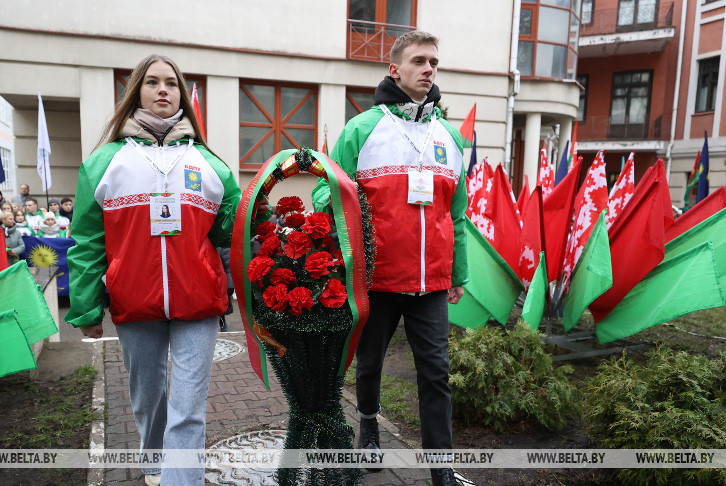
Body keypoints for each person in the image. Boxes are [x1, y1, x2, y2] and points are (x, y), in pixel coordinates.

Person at [66, 54, 264, 486]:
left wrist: (259, 212)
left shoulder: (210, 164)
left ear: (182, 94)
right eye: (152, 82)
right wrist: (85, 311)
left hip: (199, 302)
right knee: (149, 397)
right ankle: (153, 460)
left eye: (171, 83)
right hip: (134, 301)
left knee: (188, 408)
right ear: (136, 90)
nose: (162, 90)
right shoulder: (103, 163)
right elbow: (86, 242)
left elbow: (232, 232)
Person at [312, 31, 468, 486]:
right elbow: (326, 193)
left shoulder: (451, 139)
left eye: (434, 61)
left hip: (431, 285)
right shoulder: (362, 129)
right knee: (371, 364)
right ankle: (368, 429)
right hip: (375, 280)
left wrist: (457, 273)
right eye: (419, 60)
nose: (429, 69)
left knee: (436, 375)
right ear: (394, 70)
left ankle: (441, 469)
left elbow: (456, 213)